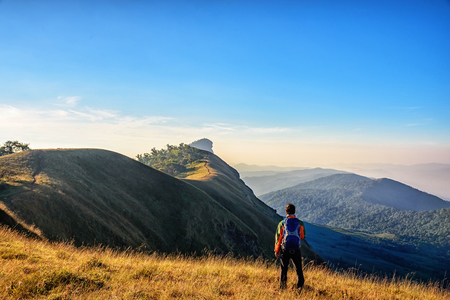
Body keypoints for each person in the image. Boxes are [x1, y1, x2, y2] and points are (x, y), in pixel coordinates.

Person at [274, 203, 305, 292]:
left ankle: (282, 289)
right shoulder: (300, 223)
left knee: (284, 269)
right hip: (296, 250)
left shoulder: (282, 223)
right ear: (294, 211)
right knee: (298, 269)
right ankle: (300, 289)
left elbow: (278, 238)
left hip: (285, 249)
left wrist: (277, 250)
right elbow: (303, 236)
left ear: (286, 212)